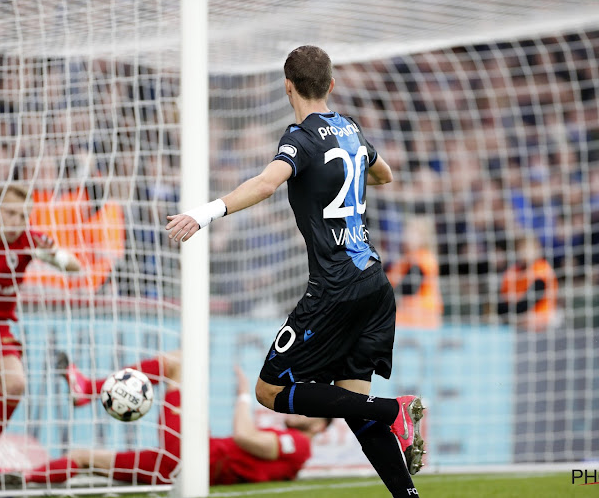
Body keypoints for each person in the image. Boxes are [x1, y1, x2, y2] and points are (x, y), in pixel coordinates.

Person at [166, 45, 425, 497]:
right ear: (330, 85)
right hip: (373, 283)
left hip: (334, 287)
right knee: (354, 406)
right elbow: (384, 174)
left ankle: (393, 410)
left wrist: (206, 212)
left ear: (287, 86)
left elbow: (268, 182)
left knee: (269, 391)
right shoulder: (351, 129)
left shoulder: (300, 138)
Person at [0, 351, 330, 487]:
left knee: (178, 363)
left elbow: (243, 437)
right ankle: (20, 480)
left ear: (319, 425)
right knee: (82, 457)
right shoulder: (292, 449)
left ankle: (88, 388)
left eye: (308, 412)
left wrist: (243, 392)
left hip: (192, 457)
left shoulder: (299, 445)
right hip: (174, 467)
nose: (298, 410)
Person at [0, 184, 81, 490]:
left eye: (22, 215)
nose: (14, 220)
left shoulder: (28, 240)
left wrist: (54, 256)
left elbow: (75, 267)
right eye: (9, 212)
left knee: (15, 385)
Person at [385, 217, 443, 329]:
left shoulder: (424, 259)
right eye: (407, 230)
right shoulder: (405, 259)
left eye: (412, 232)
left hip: (422, 317)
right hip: (406, 317)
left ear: (423, 237)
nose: (407, 235)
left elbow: (408, 289)